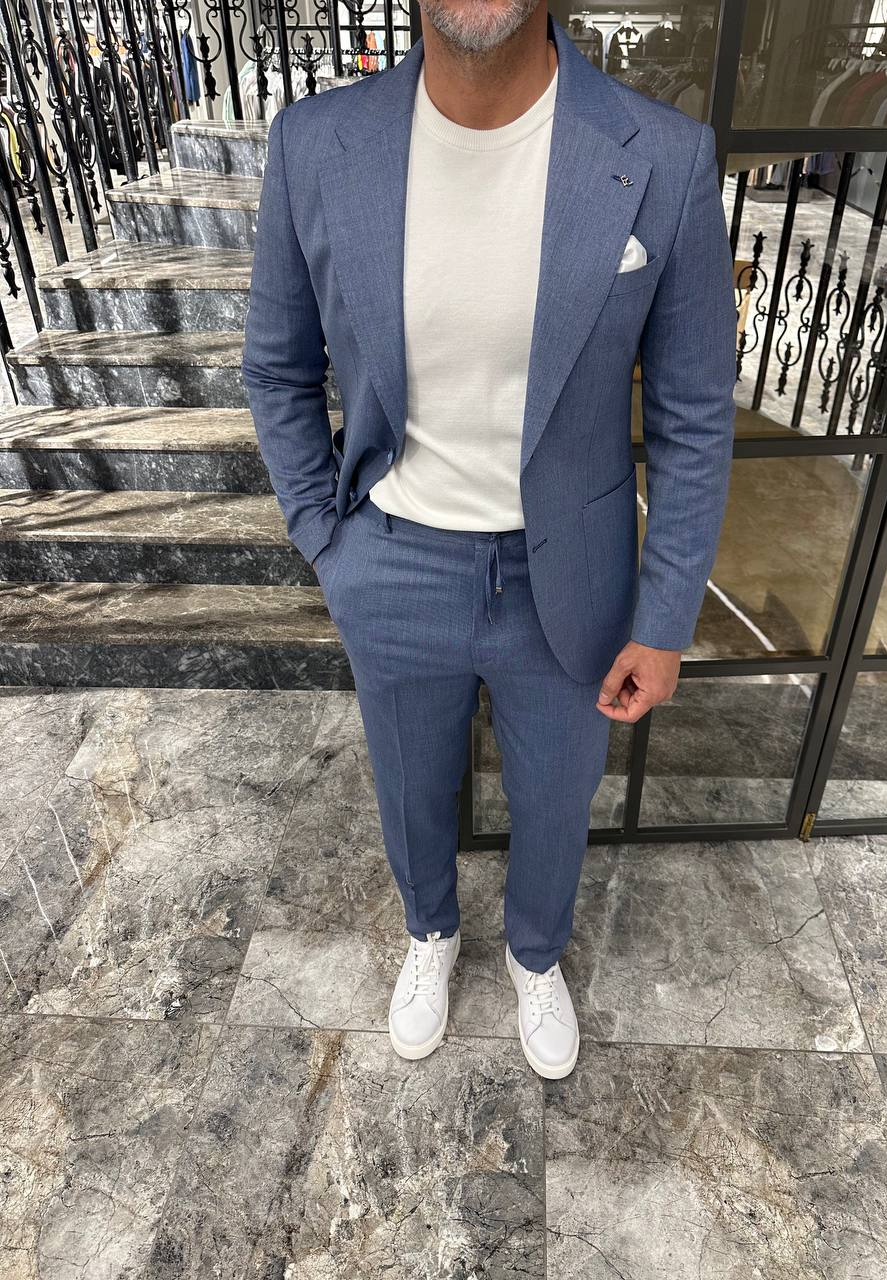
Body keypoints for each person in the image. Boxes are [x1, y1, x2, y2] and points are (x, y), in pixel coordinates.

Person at [241, 0, 737, 1079]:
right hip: (391, 557)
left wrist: (664, 617)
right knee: (408, 785)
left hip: (572, 574)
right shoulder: (317, 144)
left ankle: (536, 953)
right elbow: (276, 368)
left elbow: (695, 419)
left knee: (556, 798)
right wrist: (327, 541)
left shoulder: (664, 157)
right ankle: (430, 930)